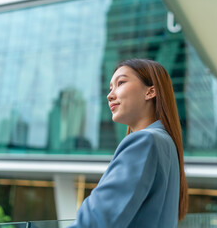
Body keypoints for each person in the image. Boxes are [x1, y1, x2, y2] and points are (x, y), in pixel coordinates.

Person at [68, 59, 188, 228]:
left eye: (121, 83)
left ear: (150, 92)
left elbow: (97, 219)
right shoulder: (166, 143)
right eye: (110, 88)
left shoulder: (145, 141)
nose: (110, 95)